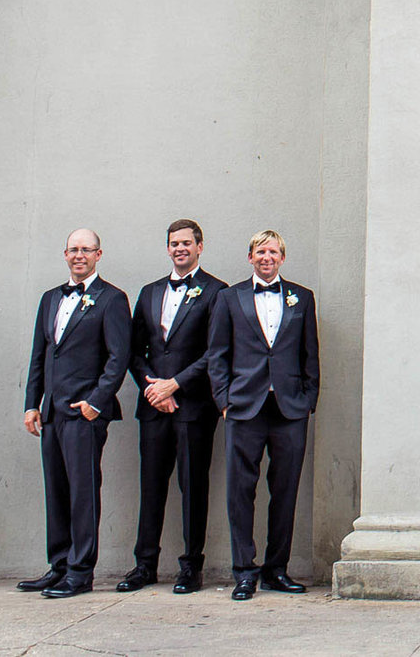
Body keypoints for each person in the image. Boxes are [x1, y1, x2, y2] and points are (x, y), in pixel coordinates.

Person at [207, 229, 319, 601]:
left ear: (282, 257)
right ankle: (244, 571)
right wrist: (223, 400)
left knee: (284, 491)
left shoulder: (302, 298)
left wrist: (307, 401)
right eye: (260, 252)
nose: (266, 257)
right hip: (243, 407)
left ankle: (276, 570)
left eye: (273, 252)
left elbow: (310, 355)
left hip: (289, 409)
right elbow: (217, 354)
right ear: (250, 257)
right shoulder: (229, 298)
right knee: (240, 491)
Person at [19, 228, 131, 599]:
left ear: (99, 254)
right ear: (65, 254)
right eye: (73, 250)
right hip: (51, 413)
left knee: (84, 493)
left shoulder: (112, 299)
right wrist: (32, 404)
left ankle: (81, 572)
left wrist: (96, 402)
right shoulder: (51, 298)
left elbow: (118, 358)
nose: (79, 255)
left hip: (85, 413)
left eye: (87, 250)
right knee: (57, 491)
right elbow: (40, 355)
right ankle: (59, 566)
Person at [119, 219, 228, 596]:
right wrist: (153, 387)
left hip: (193, 407)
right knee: (150, 486)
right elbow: (133, 350)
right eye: (174, 243)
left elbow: (216, 352)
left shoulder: (216, 292)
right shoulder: (149, 292)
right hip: (153, 406)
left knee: (193, 486)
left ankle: (190, 567)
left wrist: (176, 384)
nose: (180, 248)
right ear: (167, 248)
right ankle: (145, 564)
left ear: (200, 246)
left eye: (186, 243)